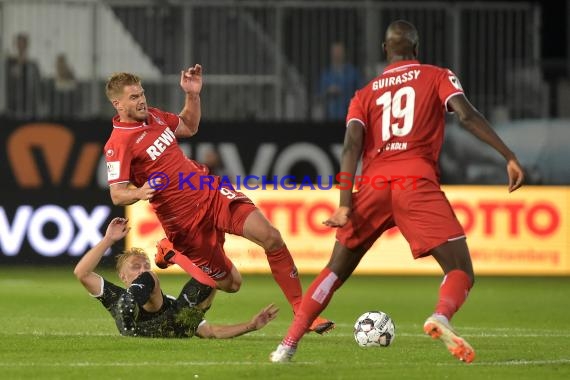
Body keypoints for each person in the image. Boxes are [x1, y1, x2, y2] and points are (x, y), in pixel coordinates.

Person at [270, 20, 525, 363]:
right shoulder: (437, 76)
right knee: (460, 269)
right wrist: (508, 155)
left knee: (334, 270)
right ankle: (440, 316)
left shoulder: (364, 94)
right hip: (415, 182)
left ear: (384, 51)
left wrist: (345, 203)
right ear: (416, 50)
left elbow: (350, 146)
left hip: (373, 186)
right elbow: (466, 116)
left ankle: (286, 345)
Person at [103, 65, 334, 334]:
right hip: (184, 222)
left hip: (210, 192)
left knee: (270, 236)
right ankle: (172, 251)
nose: (142, 100)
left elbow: (189, 126)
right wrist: (140, 192)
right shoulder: (118, 143)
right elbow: (117, 192)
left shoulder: (154, 116)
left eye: (142, 94)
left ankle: (302, 312)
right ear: (117, 103)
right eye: (134, 97)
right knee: (231, 284)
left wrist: (192, 95)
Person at [74, 217, 279, 338]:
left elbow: (211, 332)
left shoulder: (170, 303)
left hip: (175, 325)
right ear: (123, 277)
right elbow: (81, 273)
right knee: (151, 279)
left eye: (146, 264)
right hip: (136, 321)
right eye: (135, 267)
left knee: (208, 276)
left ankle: (191, 252)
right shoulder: (116, 298)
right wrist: (109, 239)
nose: (143, 269)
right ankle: (175, 256)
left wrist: (251, 326)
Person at [317, 42, 362, 120]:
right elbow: (319, 95)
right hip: (329, 117)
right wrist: (328, 91)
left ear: (344, 53)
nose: (337, 55)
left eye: (339, 52)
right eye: (335, 52)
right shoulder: (326, 74)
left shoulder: (353, 72)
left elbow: (361, 92)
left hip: (350, 116)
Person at [5, 33, 42, 118]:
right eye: (19, 43)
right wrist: (19, 63)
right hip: (14, 104)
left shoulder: (33, 64)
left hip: (29, 105)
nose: (21, 46)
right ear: (15, 45)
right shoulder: (10, 62)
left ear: (27, 45)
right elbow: (11, 78)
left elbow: (37, 84)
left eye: (23, 43)